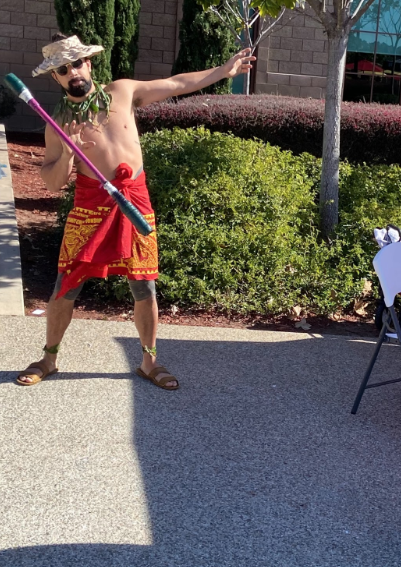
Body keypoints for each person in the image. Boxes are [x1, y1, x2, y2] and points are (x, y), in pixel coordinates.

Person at [17, 34, 254, 390]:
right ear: (56, 77)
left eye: (76, 63)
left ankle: (149, 362)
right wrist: (67, 152)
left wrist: (223, 71)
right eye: (63, 69)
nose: (72, 73)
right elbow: (52, 182)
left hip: (134, 203)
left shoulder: (122, 92)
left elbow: (175, 84)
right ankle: (49, 358)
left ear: (89, 63)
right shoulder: (58, 122)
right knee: (65, 287)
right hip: (90, 209)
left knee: (144, 287)